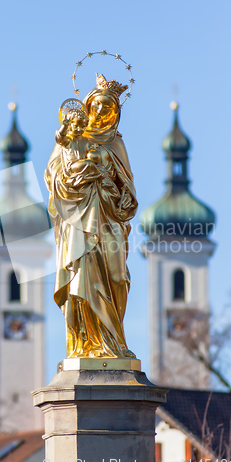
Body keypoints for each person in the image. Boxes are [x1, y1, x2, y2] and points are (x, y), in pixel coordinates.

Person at [45, 74, 138, 358]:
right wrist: (79, 175)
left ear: (116, 113)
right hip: (78, 222)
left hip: (109, 220)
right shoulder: (72, 137)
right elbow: (53, 177)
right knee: (82, 279)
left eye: (108, 108)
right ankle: (85, 344)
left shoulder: (117, 145)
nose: (100, 112)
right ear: (88, 105)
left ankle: (114, 342)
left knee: (118, 279)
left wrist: (121, 197)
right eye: (96, 105)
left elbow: (129, 191)